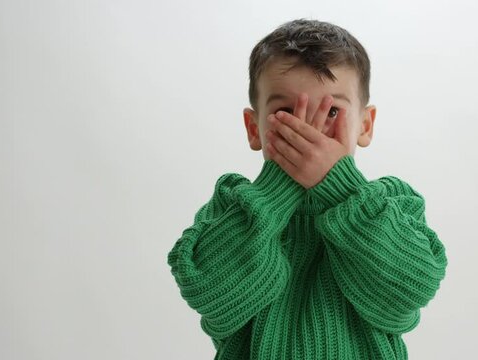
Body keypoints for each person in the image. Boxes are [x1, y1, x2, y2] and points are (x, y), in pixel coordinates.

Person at [167, 18, 448, 360]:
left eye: (331, 111)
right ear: (253, 128)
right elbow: (210, 294)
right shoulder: (232, 206)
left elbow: (408, 290)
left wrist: (340, 187)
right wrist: (278, 188)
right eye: (286, 112)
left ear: (365, 124)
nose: (307, 129)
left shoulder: (391, 204)